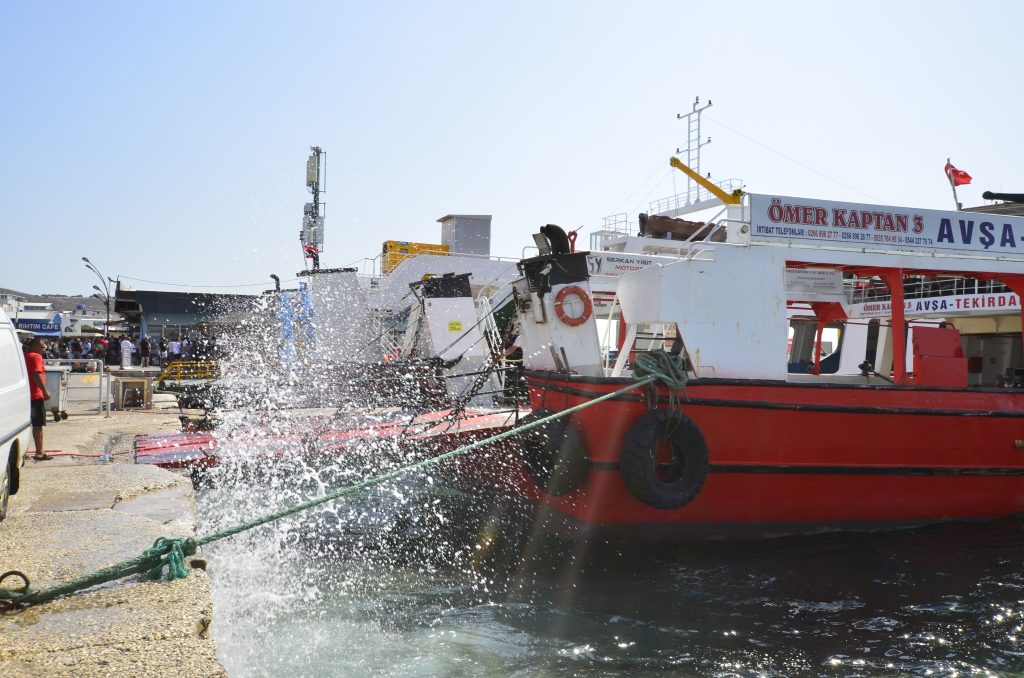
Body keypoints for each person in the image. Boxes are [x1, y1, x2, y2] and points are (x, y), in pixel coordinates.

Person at [23, 338, 52, 461]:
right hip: (35, 395)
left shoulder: (24, 355)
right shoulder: (35, 356)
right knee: (37, 425)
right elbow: (36, 374)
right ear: (34, 346)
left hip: (24, 395)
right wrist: (45, 391)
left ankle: (23, 452)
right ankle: (39, 452)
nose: (43, 350)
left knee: (25, 424)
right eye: (41, 347)